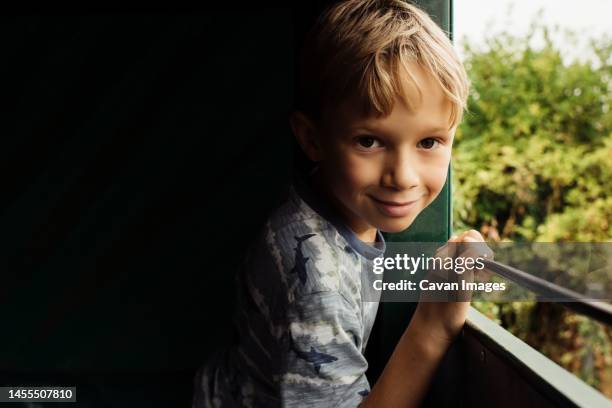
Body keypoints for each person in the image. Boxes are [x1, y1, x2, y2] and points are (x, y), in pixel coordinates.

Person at [193, 0, 486, 406]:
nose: (402, 176)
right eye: (369, 141)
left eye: (429, 142)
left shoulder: (318, 198)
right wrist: (431, 327)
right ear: (312, 140)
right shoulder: (316, 286)